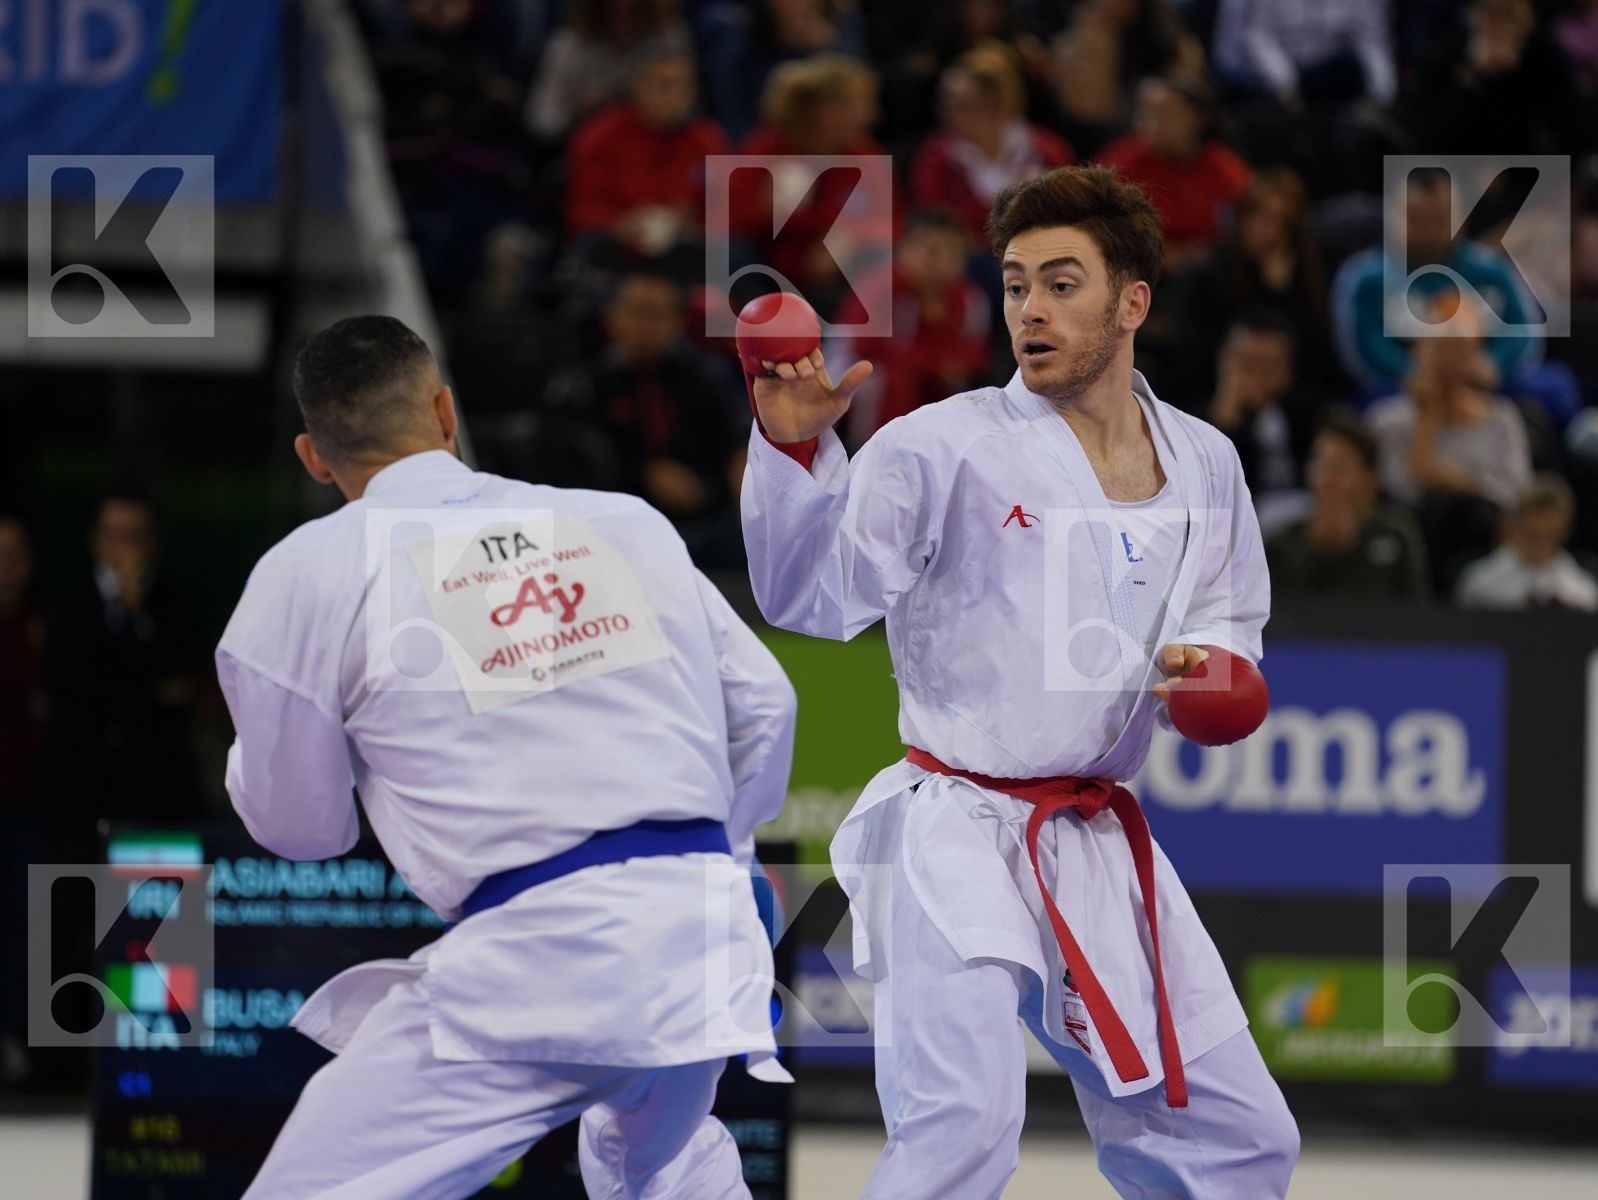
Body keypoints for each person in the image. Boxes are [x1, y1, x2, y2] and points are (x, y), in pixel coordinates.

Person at [739, 165, 1297, 1197]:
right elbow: (811, 598)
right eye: (1012, 284)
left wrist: (1209, 671)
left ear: (1131, 302)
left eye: (1060, 283)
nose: (1029, 310)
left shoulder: (1205, 459)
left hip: (1092, 835)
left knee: (1237, 1135)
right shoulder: (939, 446)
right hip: (951, 831)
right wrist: (790, 441)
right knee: (961, 1131)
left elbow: (1227, 616)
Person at [219, 316, 795, 1199]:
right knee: (665, 1164)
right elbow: (766, 705)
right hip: (705, 940)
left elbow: (304, 832)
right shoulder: (621, 523)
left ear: (312, 456)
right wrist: (713, 857)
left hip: (539, 966)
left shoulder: (310, 570)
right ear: (445, 412)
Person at [1331, 166, 1581, 425]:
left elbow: (1523, 329)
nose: (1429, 229)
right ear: (1395, 216)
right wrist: (1412, 372)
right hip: (1404, 389)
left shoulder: (1491, 270)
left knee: (1557, 387)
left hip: (1483, 382)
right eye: (1416, 217)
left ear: (1461, 215)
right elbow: (1364, 344)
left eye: (1441, 218)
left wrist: (1493, 363)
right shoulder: (1366, 277)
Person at [549, 272, 751, 566]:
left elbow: (735, 442)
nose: (646, 326)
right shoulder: (583, 386)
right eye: (636, 312)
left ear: (677, 323)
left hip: (705, 524)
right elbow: (575, 464)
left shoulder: (705, 379)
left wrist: (747, 506)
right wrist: (646, 473)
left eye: (657, 315)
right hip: (617, 527)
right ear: (613, 317)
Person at [1366, 299, 1534, 589]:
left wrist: (1458, 481)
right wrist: (1427, 421)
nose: (1446, 362)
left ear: (1475, 356)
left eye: (1458, 350)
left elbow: (1515, 495)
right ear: (1418, 351)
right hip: (1413, 542)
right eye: (1437, 347)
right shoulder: (1386, 421)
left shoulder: (1501, 419)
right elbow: (1400, 492)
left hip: (1484, 543)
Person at [834, 208, 995, 446]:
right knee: (885, 381)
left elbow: (976, 351)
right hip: (864, 374)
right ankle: (872, 449)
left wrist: (945, 367)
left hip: (931, 377)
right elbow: (864, 348)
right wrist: (934, 364)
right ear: (905, 250)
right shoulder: (879, 288)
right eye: (931, 250)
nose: (939, 260)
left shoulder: (970, 298)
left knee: (967, 390)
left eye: (951, 251)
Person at [910, 42, 1074, 244]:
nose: (953, 115)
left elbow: (1068, 214)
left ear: (999, 103)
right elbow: (937, 226)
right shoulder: (936, 159)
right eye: (947, 104)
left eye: (965, 105)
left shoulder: (1045, 150)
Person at [1265, 414, 1432, 601]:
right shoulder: (1281, 543)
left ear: (1370, 479)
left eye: (1338, 467)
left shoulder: (1397, 534)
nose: (1324, 479)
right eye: (1319, 464)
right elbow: (1272, 614)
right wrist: (1316, 551)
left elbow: (1417, 612)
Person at [1096, 73, 1252, 270]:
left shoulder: (1226, 170)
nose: (1151, 121)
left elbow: (1245, 230)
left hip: (1209, 273)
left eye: (1166, 113)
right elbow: (1100, 227)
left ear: (1196, 120)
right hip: (1138, 269)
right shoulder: (1121, 162)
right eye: (1148, 112)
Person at [1204, 309, 1318, 518]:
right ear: (1224, 361)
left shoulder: (1309, 414)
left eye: (1268, 366)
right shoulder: (1192, 420)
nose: (1256, 376)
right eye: (1247, 364)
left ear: (1288, 370)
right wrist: (1224, 423)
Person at [1456, 473, 1598, 610]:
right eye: (1532, 534)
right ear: (1515, 524)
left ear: (1565, 531)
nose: (1540, 542)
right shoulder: (1480, 584)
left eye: (1548, 535)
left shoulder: (1581, 592)